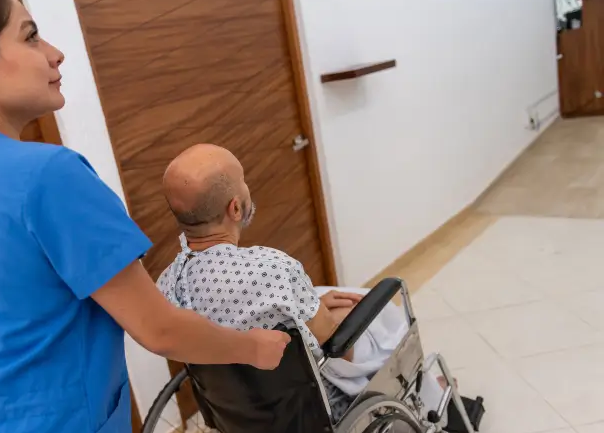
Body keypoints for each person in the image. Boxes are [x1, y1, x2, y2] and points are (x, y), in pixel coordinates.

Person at [0, 0, 290, 433]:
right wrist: (255, 347)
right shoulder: (47, 176)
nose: (55, 54)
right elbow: (160, 330)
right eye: (30, 37)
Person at [156, 144, 445, 418]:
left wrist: (311, 303)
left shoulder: (166, 286)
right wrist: (327, 314)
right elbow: (336, 342)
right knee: (373, 311)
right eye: (243, 181)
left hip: (242, 412)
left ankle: (430, 389)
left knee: (330, 299)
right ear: (235, 208)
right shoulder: (272, 268)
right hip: (314, 405)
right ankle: (430, 397)